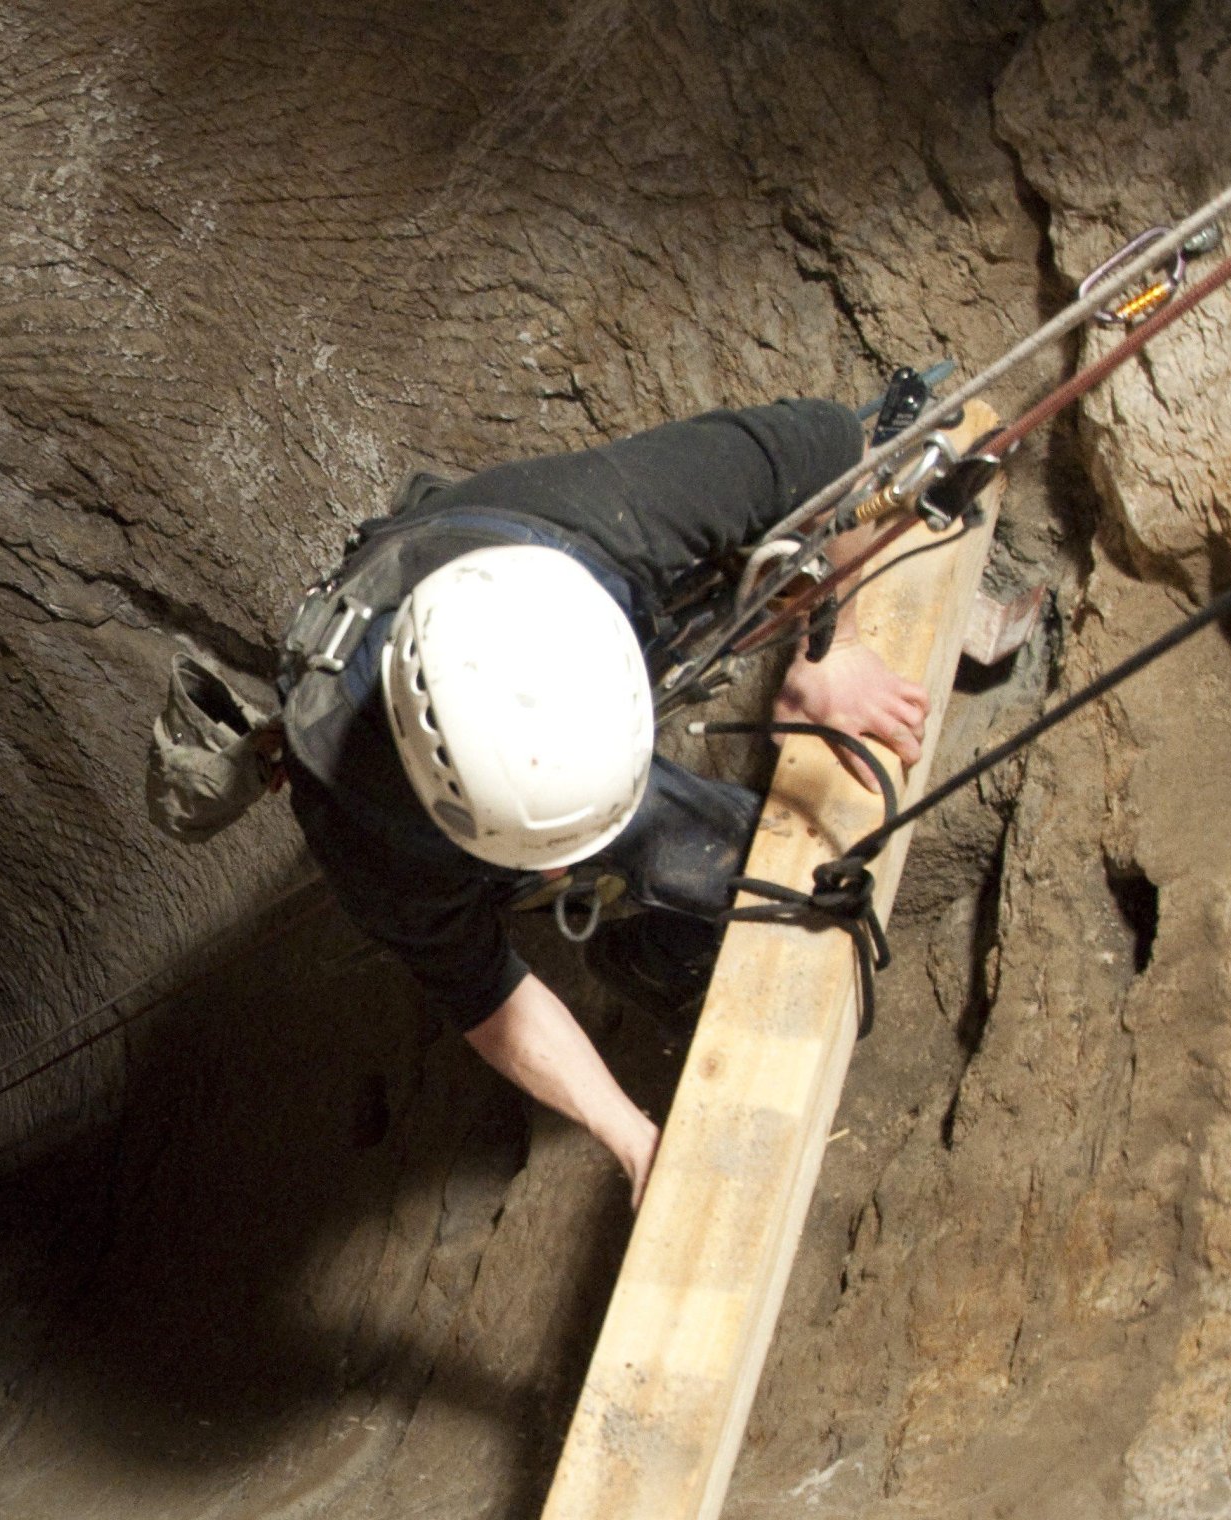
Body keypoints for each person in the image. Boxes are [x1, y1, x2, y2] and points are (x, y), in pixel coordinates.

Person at [262, 400, 925, 1204]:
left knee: (746, 861)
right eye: (552, 848)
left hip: (531, 603)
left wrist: (836, 647)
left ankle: (650, 941)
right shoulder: (366, 829)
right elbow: (485, 993)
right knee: (692, 871)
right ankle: (660, 965)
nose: (574, 863)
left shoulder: (612, 515)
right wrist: (630, 1135)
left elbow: (836, 448)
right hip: (409, 786)